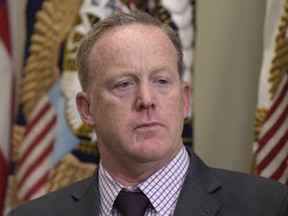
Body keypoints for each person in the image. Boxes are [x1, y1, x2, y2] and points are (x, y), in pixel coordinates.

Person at [8, 10, 288, 216]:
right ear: (86, 109)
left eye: (162, 81)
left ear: (185, 100)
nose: (146, 99)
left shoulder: (270, 206)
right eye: (124, 84)